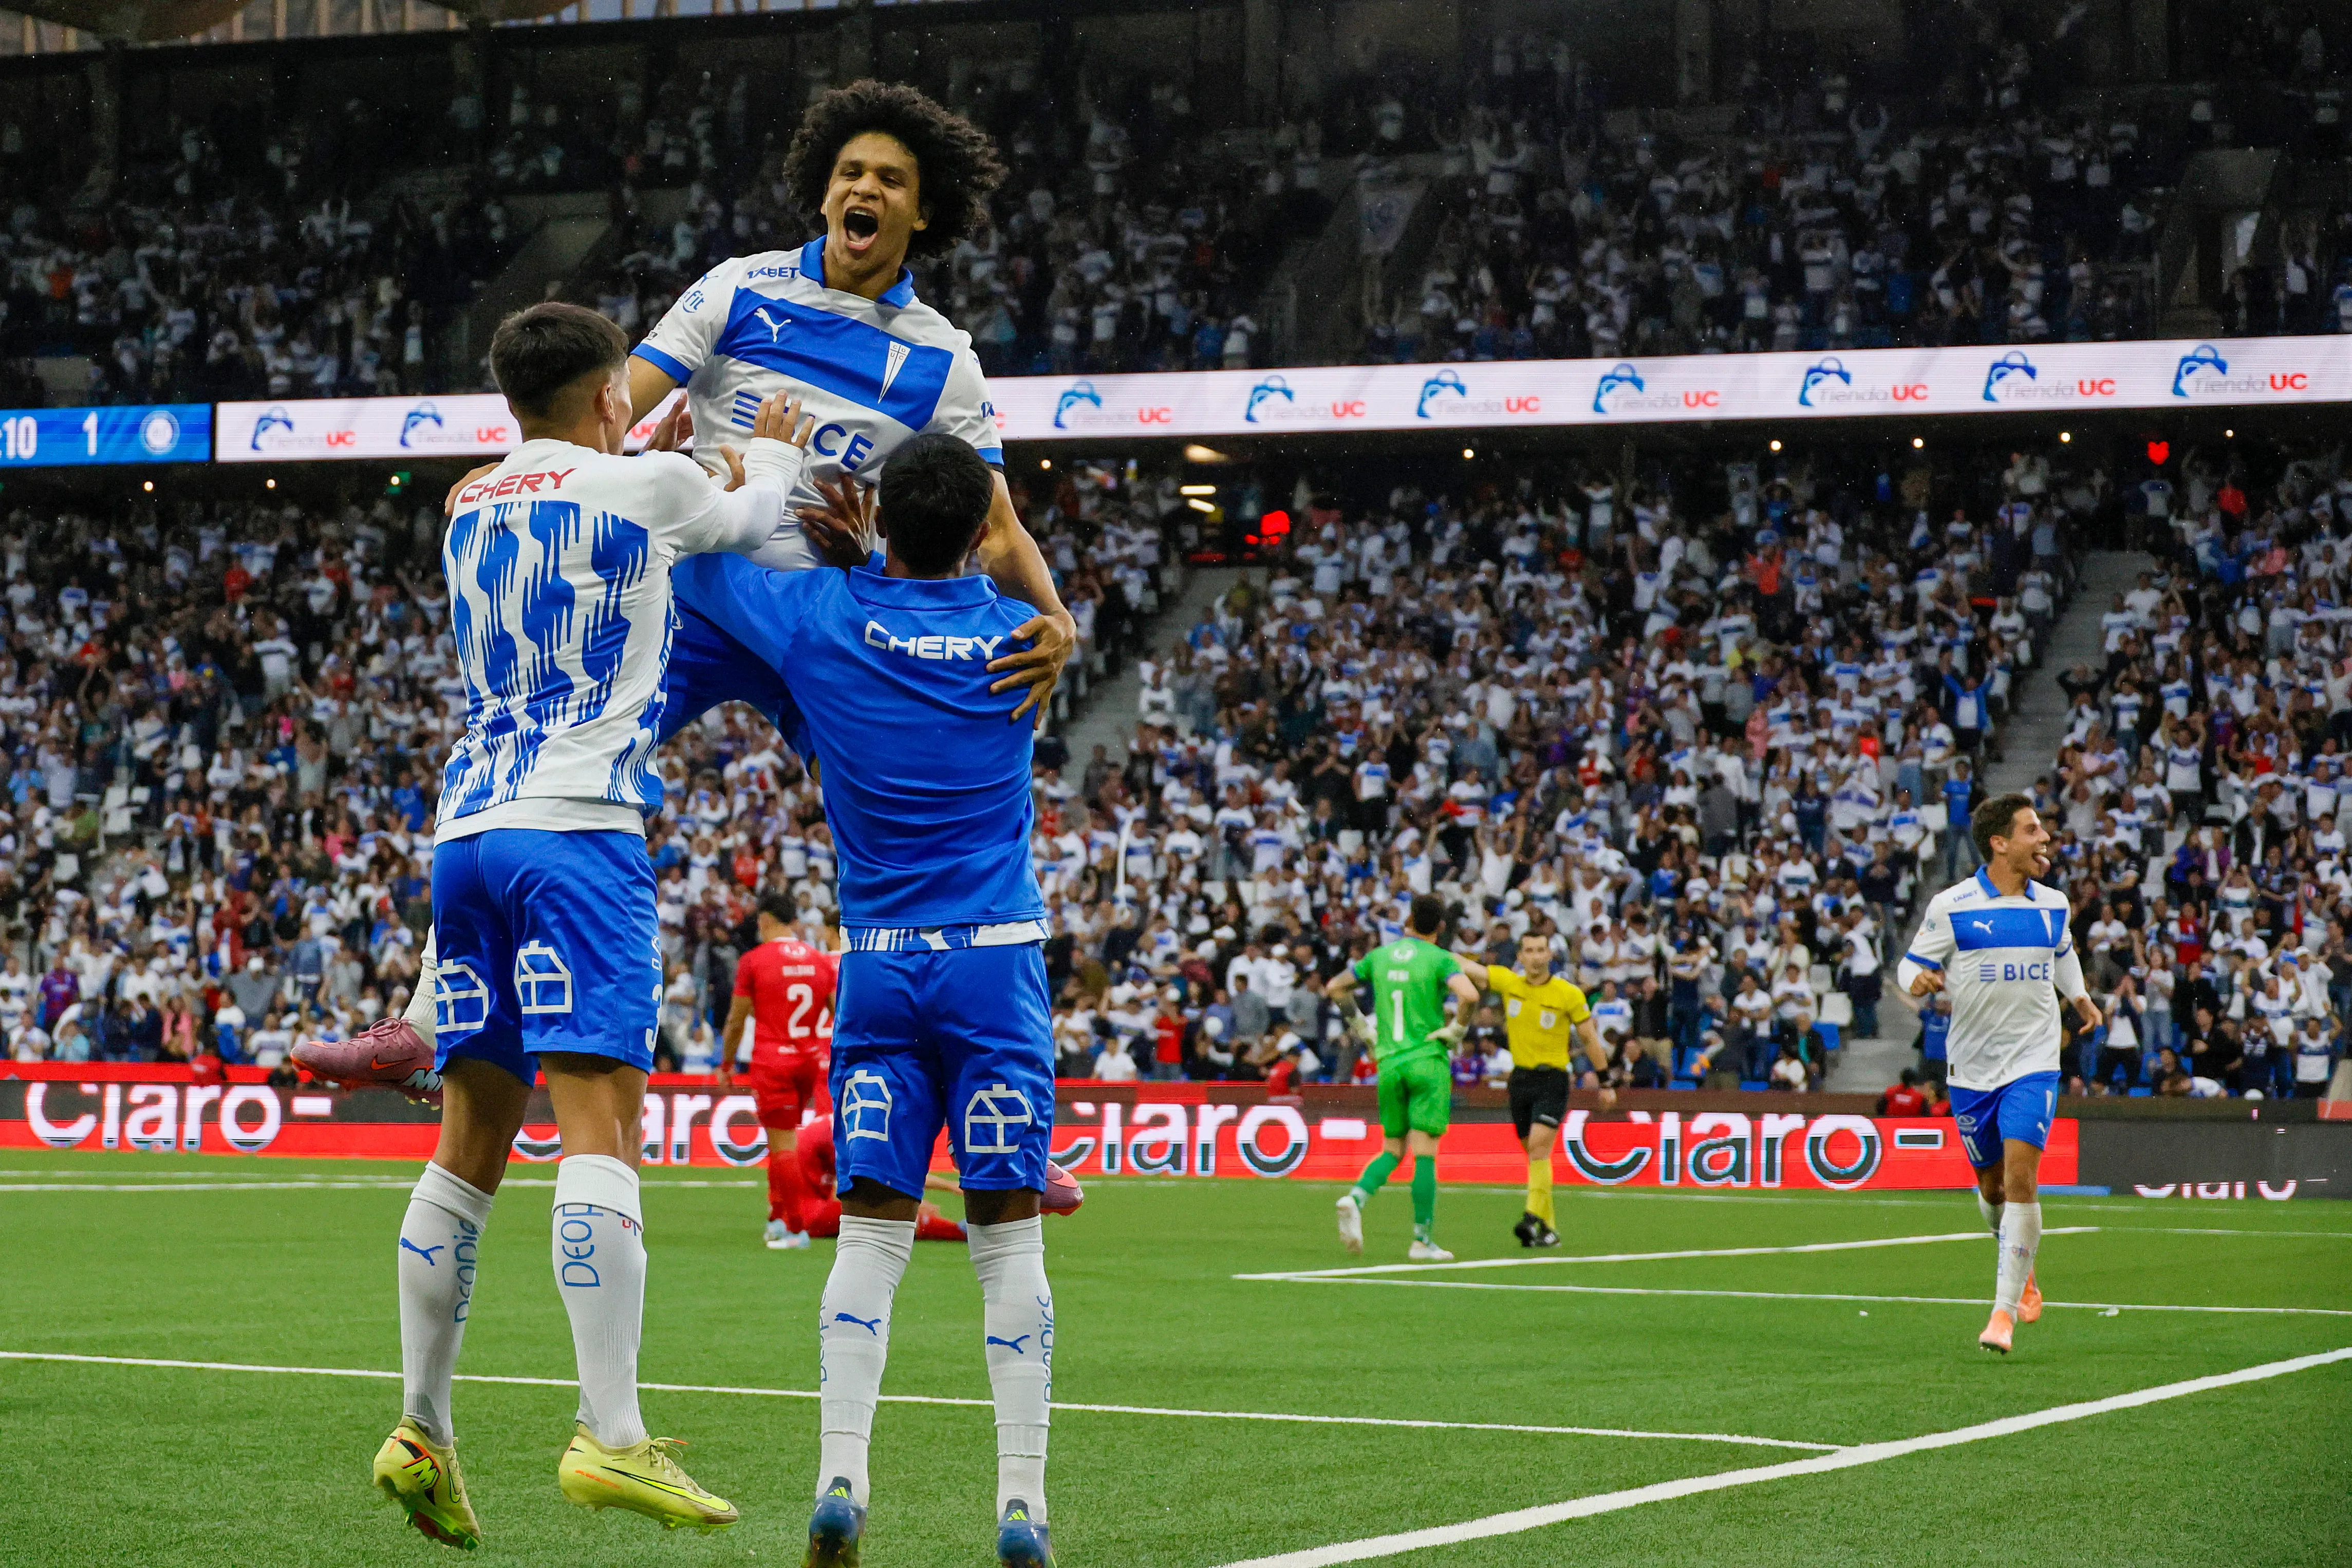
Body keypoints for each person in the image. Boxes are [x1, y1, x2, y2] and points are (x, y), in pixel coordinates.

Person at [301, 303, 807, 1546]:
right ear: (611, 396)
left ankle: (422, 1425)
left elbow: (586, 492)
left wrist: (651, 457)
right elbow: (753, 517)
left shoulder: (467, 501)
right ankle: (613, 1432)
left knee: (468, 1143)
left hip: (468, 835)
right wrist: (773, 447)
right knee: (600, 1126)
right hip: (579, 832)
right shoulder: (647, 486)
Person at [665, 432, 1063, 1568]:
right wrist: (1026, 590)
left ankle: (840, 1479)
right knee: (1007, 1239)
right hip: (995, 962)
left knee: (872, 1233)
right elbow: (1001, 583)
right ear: (982, 531)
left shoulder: (818, 618)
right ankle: (1021, 1504)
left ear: (881, 519)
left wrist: (755, 484)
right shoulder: (1026, 636)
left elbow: (701, 561)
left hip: (881, 964)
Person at [1897, 792, 2099, 1356]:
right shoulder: (1953, 905)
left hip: (2034, 1061)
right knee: (1992, 1187)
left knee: (2021, 1181)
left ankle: (2002, 1314)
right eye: (2032, 830)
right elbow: (1909, 964)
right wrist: (1917, 981)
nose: (2045, 839)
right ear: (2000, 843)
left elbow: (2063, 953)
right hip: (1972, 1067)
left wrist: (2080, 996)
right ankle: (2020, 1265)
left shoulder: (2053, 903)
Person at [1325, 893, 1482, 1262]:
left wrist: (1363, 1030)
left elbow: (1335, 987)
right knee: (1425, 1153)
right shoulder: (1440, 958)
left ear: (1409, 921)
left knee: (1392, 1148)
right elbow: (1470, 995)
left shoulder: (1379, 957)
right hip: (1427, 1061)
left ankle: (1356, 1198)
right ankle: (1422, 1241)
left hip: (1389, 1063)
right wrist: (1456, 1030)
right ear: (1441, 927)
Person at [1453, 930, 1607, 1248]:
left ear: (1550, 955)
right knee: (1536, 1156)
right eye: (1529, 951)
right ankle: (1549, 1230)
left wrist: (1605, 1082)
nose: (1535, 957)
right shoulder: (1509, 983)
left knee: (1538, 1148)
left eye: (1541, 950)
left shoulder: (1568, 994)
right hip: (1521, 1080)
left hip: (1553, 1079)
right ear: (1520, 957)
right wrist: (1425, 949)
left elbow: (1589, 1038)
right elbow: (1465, 965)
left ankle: (1530, 1218)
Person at [718, 895, 839, 1249]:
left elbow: (736, 1020)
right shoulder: (818, 960)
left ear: (766, 920)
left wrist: (726, 1064)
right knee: (781, 1139)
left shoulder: (754, 960)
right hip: (809, 1060)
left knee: (783, 1143)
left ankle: (796, 1229)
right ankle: (776, 1216)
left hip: (774, 1062)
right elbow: (839, 1014)